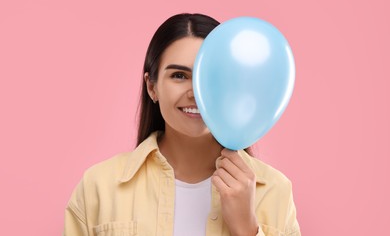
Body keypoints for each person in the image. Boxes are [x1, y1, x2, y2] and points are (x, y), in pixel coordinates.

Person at [64, 13, 301, 236]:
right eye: (179, 75)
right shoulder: (99, 187)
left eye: (210, 75)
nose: (196, 92)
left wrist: (247, 228)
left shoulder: (274, 191)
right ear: (152, 87)